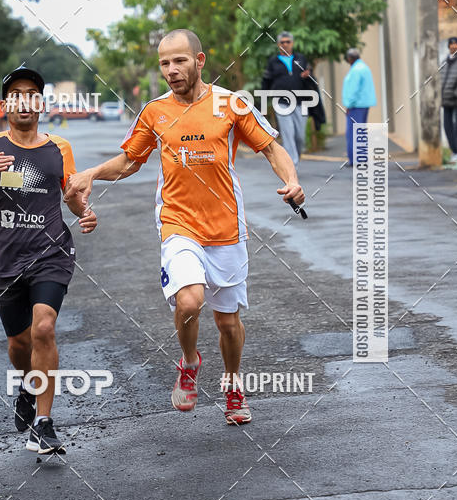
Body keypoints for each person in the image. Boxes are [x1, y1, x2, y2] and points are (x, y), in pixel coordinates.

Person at [64, 29, 304, 426]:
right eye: (164, 63)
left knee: (228, 323)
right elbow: (130, 160)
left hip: (226, 227)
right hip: (178, 222)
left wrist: (292, 180)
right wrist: (92, 173)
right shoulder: (155, 111)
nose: (171, 70)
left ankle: (232, 384)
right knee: (189, 302)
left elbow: (271, 148)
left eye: (179, 61)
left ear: (200, 61)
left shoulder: (232, 104)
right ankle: (190, 361)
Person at [0, 67, 97, 454]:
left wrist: (84, 211)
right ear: (5, 105)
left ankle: (44, 423)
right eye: (16, 94)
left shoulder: (59, 148)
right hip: (5, 259)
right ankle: (27, 384)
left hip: (51, 253)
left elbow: (70, 194)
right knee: (20, 343)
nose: (24, 101)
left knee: (44, 327)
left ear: (41, 103)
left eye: (31, 94)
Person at [261, 31, 319, 166]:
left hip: (301, 103)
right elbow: (266, 83)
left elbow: (311, 79)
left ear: (292, 43)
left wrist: (308, 76)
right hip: (281, 103)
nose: (285, 44)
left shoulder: (301, 59)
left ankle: (295, 158)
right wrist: (263, 105)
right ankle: (292, 165)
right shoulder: (273, 62)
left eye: (288, 42)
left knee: (300, 137)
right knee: (288, 134)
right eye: (282, 42)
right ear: (278, 45)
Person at [342, 48, 377, 166]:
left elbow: (353, 90)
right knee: (360, 132)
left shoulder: (356, 70)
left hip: (356, 106)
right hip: (363, 105)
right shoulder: (364, 67)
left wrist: (348, 105)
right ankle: (361, 159)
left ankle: (355, 160)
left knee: (353, 133)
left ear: (350, 58)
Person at [441, 36, 457, 165]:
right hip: (446, 100)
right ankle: (454, 152)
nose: (454, 46)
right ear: (448, 46)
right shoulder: (445, 61)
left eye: (456, 44)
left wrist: (456, 92)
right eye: (451, 44)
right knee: (447, 126)